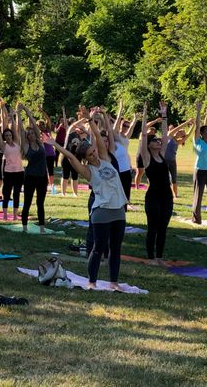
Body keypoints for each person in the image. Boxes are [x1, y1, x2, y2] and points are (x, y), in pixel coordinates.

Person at [47, 110, 127, 290]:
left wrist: (90, 120)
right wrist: (54, 144)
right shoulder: (88, 171)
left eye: (94, 151)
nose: (94, 155)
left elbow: (98, 136)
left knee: (116, 248)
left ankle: (114, 283)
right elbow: (71, 157)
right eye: (90, 154)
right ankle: (92, 282)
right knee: (98, 248)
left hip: (118, 209)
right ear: (85, 159)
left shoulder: (105, 159)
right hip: (101, 211)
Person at [137, 103, 173, 264]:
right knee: (153, 227)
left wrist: (164, 116)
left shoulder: (163, 154)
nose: (159, 142)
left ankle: (159, 257)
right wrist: (145, 114)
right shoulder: (146, 157)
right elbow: (143, 135)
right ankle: (151, 257)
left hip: (166, 195)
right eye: (155, 141)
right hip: (153, 196)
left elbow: (165, 135)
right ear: (149, 144)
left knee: (163, 228)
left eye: (159, 141)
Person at [16, 103, 48, 233]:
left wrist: (27, 111)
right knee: (28, 201)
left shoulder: (40, 143)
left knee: (40, 203)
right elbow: (20, 130)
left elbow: (34, 125)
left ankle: (42, 227)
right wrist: (18, 113)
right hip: (30, 177)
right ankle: (24, 227)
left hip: (42, 177)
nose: (30, 135)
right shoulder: (26, 146)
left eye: (32, 133)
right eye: (28, 134)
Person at [0, 105, 24, 222]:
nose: (8, 136)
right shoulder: (3, 146)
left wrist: (13, 116)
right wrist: (4, 112)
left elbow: (14, 128)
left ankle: (15, 215)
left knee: (17, 194)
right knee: (7, 193)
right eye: (6, 135)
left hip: (19, 172)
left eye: (9, 135)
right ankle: (5, 215)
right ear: (4, 137)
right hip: (8, 172)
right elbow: (4, 127)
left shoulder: (16, 143)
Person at [111, 102, 137, 202]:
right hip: (118, 161)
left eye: (127, 126)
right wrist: (121, 108)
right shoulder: (116, 136)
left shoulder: (126, 137)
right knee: (119, 182)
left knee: (127, 182)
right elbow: (117, 121)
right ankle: (119, 200)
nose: (126, 128)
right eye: (124, 126)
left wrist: (135, 118)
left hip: (126, 160)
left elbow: (132, 127)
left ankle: (127, 201)